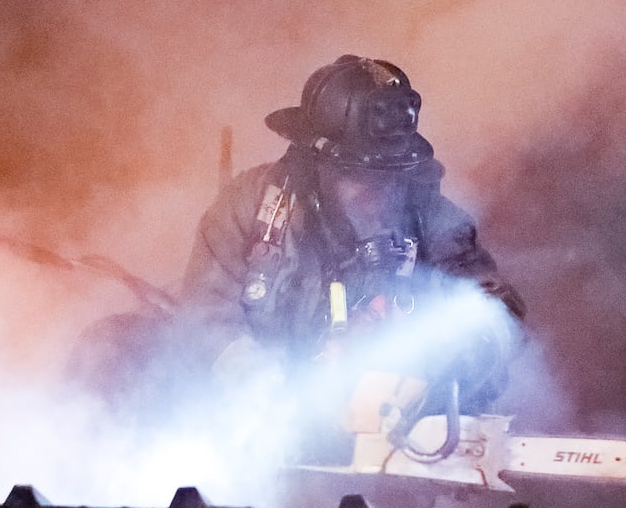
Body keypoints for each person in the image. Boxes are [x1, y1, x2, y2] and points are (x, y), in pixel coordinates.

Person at [173, 54, 525, 462]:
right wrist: (251, 375)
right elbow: (204, 307)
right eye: (357, 176)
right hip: (247, 434)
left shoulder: (429, 217)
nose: (375, 192)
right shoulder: (254, 205)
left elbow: (490, 304)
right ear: (315, 162)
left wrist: (469, 347)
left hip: (378, 440)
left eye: (388, 177)